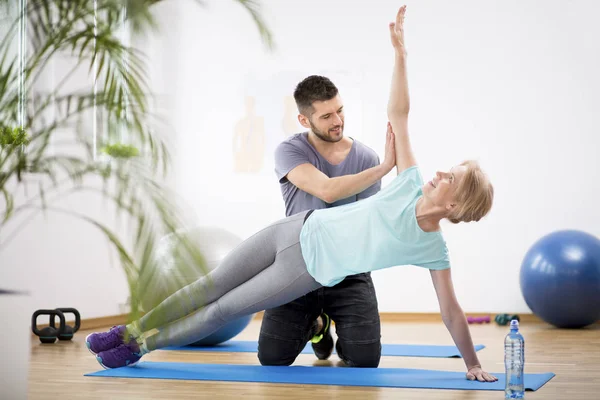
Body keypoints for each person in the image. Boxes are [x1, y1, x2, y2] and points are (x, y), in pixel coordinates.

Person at [86, 5, 498, 383]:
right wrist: (400, 55)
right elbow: (399, 114)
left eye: (453, 178)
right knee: (208, 286)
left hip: (307, 268)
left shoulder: (432, 248)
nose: (442, 171)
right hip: (292, 228)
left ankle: (138, 348)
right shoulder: (409, 181)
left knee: (225, 309)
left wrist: (473, 363)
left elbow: (450, 310)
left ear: (454, 205)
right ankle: (127, 330)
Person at [258, 75, 385, 368]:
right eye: (326, 116)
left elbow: (367, 219)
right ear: (304, 120)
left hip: (348, 267)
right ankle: (316, 327)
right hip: (298, 265)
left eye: (340, 110)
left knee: (365, 360)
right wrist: (385, 168)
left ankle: (340, 328)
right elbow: (326, 189)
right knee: (271, 358)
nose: (337, 120)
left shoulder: (366, 157)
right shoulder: (289, 151)